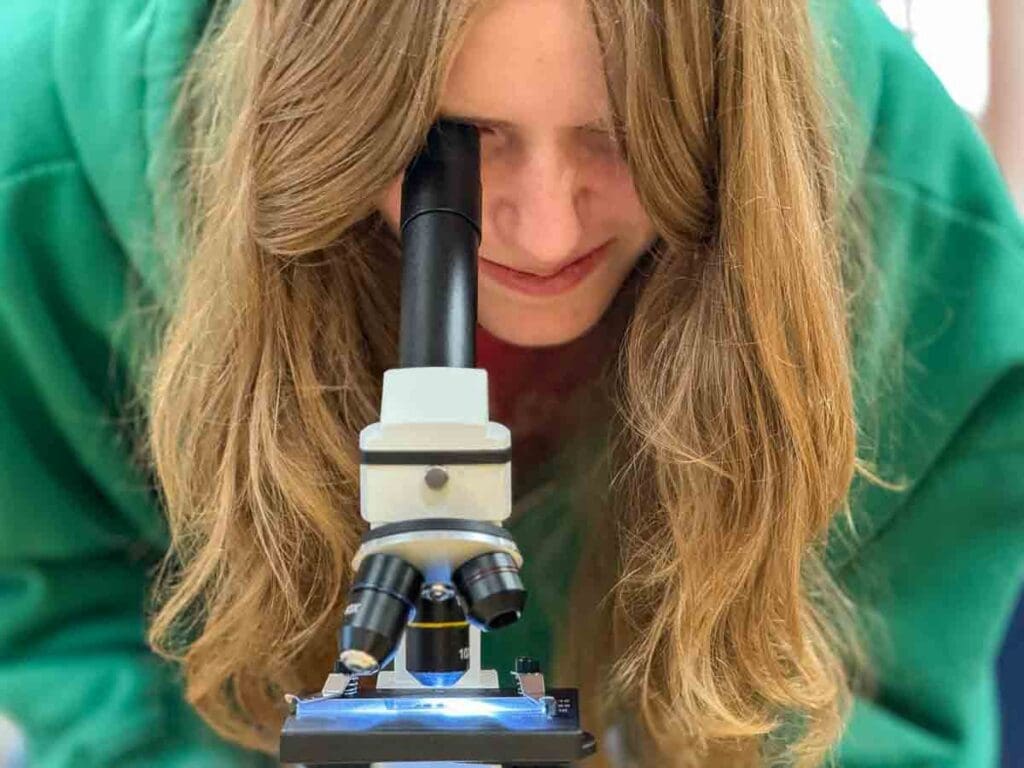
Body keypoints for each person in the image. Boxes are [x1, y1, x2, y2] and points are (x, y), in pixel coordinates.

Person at [0, 0, 1021, 766]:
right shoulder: (38, 161)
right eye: (463, 138)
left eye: (621, 138)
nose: (544, 231)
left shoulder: (920, 223)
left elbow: (876, 692)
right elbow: (70, 615)